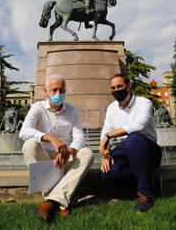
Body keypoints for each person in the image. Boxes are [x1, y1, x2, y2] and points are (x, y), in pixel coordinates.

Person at [19, 74, 94, 222]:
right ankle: (57, 199)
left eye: (61, 90)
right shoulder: (37, 107)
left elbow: (80, 137)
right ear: (46, 91)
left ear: (65, 91)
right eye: (54, 90)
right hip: (45, 158)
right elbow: (24, 131)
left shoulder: (72, 110)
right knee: (29, 145)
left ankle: (50, 201)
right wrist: (51, 138)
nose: (57, 94)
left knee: (87, 153)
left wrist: (69, 152)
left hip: (64, 159)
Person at [99, 74, 162, 213]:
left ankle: (145, 195)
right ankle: (148, 178)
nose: (116, 90)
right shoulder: (111, 108)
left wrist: (109, 136)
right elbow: (106, 130)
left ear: (128, 86)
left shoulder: (144, 103)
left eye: (119, 86)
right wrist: (105, 154)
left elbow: (139, 126)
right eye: (113, 88)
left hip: (146, 148)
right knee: (107, 173)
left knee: (133, 138)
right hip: (123, 149)